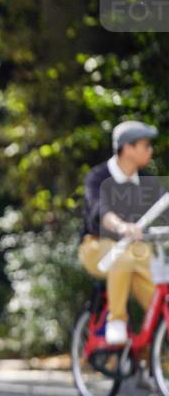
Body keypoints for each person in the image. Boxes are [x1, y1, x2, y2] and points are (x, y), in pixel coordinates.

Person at [79, 120, 164, 345]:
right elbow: (101, 210)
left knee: (158, 295)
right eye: (145, 145)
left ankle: (147, 360)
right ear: (127, 148)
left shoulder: (147, 181)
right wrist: (121, 226)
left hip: (136, 253)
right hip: (97, 248)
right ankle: (116, 320)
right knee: (123, 255)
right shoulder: (98, 177)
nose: (150, 150)